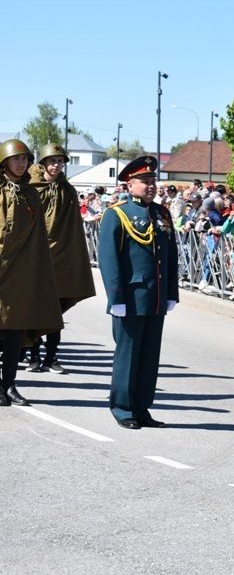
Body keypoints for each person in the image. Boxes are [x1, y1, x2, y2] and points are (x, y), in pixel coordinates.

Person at [97, 156, 179, 429]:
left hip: (155, 296)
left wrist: (171, 293)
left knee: (149, 355)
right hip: (130, 298)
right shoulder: (116, 214)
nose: (151, 186)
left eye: (153, 181)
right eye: (144, 181)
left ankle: (142, 407)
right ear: (129, 185)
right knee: (128, 354)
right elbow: (109, 260)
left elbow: (171, 256)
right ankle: (122, 408)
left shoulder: (161, 214)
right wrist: (115, 298)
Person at [0, 139, 63, 406]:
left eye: (25, 159)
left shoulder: (30, 194)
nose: (21, 163)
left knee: (14, 333)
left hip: (20, 276)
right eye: (16, 159)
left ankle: (9, 385)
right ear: (4, 161)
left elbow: (37, 237)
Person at [26, 143, 96, 373]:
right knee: (35, 309)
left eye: (60, 161)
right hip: (34, 258)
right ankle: (34, 356)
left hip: (60, 259)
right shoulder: (31, 187)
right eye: (52, 161)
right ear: (43, 163)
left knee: (55, 312)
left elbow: (72, 228)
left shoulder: (67, 190)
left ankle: (52, 357)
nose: (56, 165)